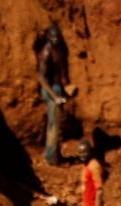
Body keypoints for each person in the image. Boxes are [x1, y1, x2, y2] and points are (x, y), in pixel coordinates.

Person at [35, 24, 70, 165]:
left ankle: (56, 155)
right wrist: (54, 97)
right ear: (49, 38)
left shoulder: (59, 49)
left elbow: (61, 71)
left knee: (59, 123)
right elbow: (41, 78)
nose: (56, 39)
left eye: (58, 37)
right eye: (53, 37)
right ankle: (52, 158)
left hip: (57, 87)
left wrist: (66, 86)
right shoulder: (46, 52)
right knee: (54, 124)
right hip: (50, 89)